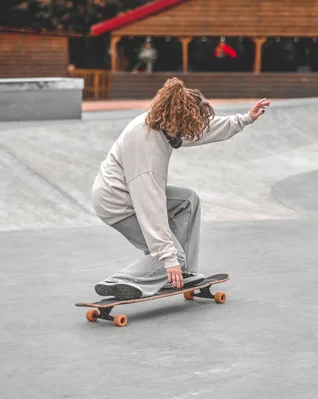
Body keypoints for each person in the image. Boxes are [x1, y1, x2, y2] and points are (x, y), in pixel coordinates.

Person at [91, 77, 270, 300]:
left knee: (188, 200)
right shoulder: (148, 150)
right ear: (177, 122)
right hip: (117, 204)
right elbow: (150, 207)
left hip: (127, 194)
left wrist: (244, 119)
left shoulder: (163, 122)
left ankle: (183, 273)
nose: (188, 135)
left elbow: (202, 130)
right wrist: (169, 258)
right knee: (172, 254)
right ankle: (119, 281)